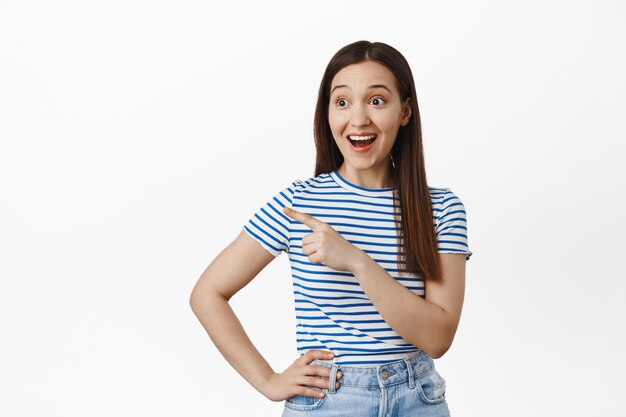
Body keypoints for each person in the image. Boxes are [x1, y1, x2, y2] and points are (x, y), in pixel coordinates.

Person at [189, 40, 473, 417]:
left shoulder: (440, 208)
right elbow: (207, 293)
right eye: (342, 102)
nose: (358, 120)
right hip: (330, 401)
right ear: (327, 113)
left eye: (376, 101)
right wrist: (268, 381)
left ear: (404, 112)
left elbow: (438, 338)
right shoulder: (298, 204)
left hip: (418, 400)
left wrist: (357, 261)